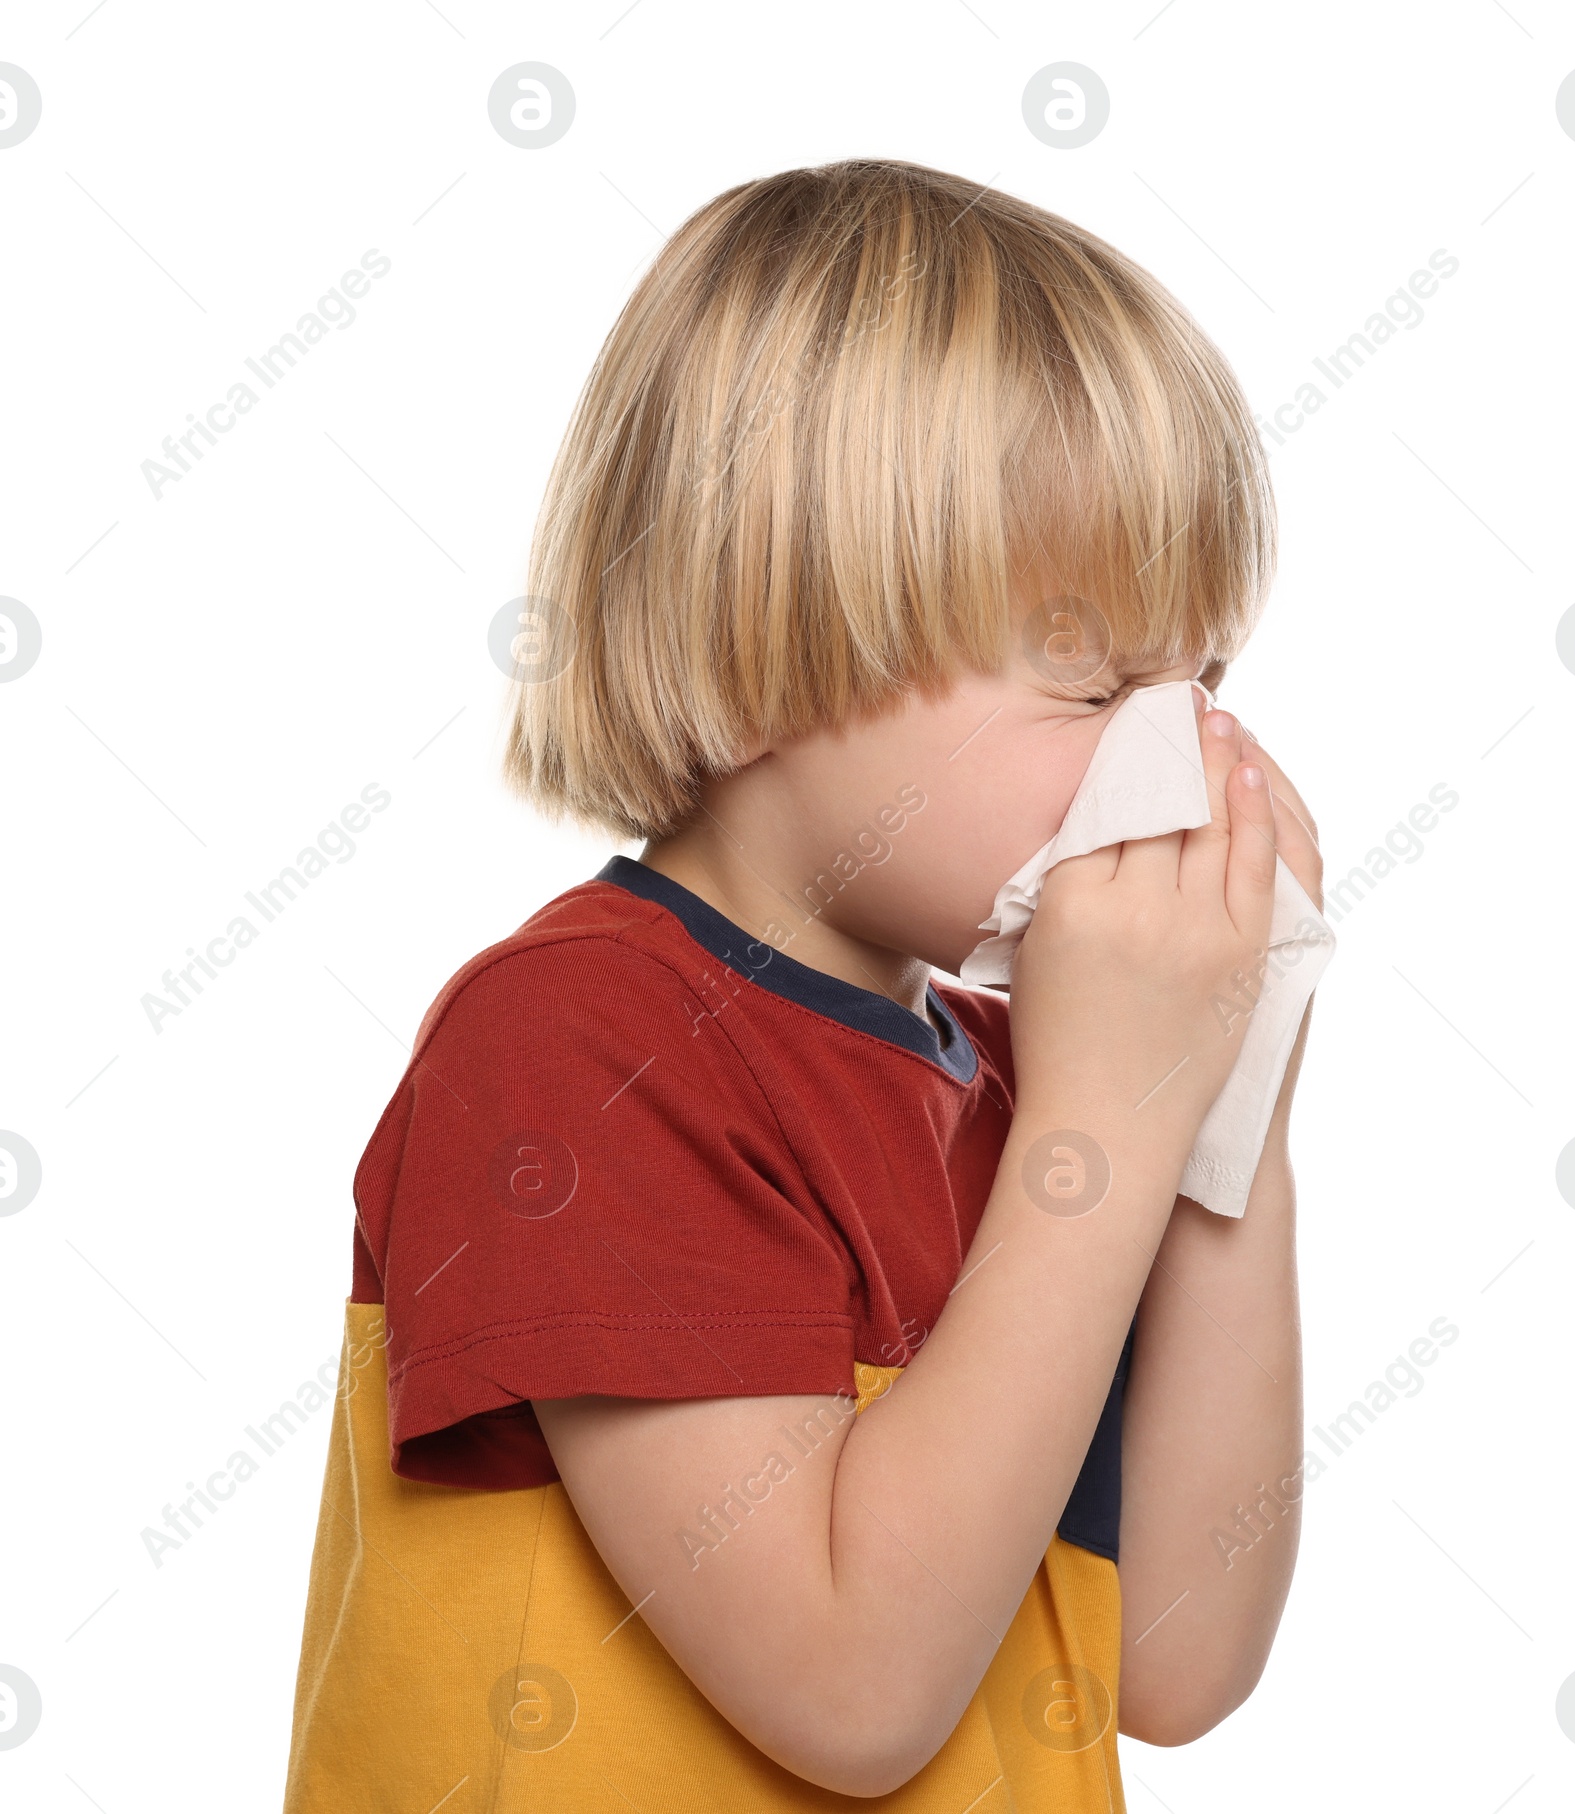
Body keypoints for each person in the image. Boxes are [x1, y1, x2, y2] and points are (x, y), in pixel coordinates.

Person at [281, 157, 1324, 1810]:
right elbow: (852, 1688)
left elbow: (1173, 1656)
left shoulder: (1032, 1073)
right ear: (769, 639)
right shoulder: (581, 1041)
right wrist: (1117, 1118)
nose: (1179, 756)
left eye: (1200, 679)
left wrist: (1226, 1089)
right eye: (1093, 678)